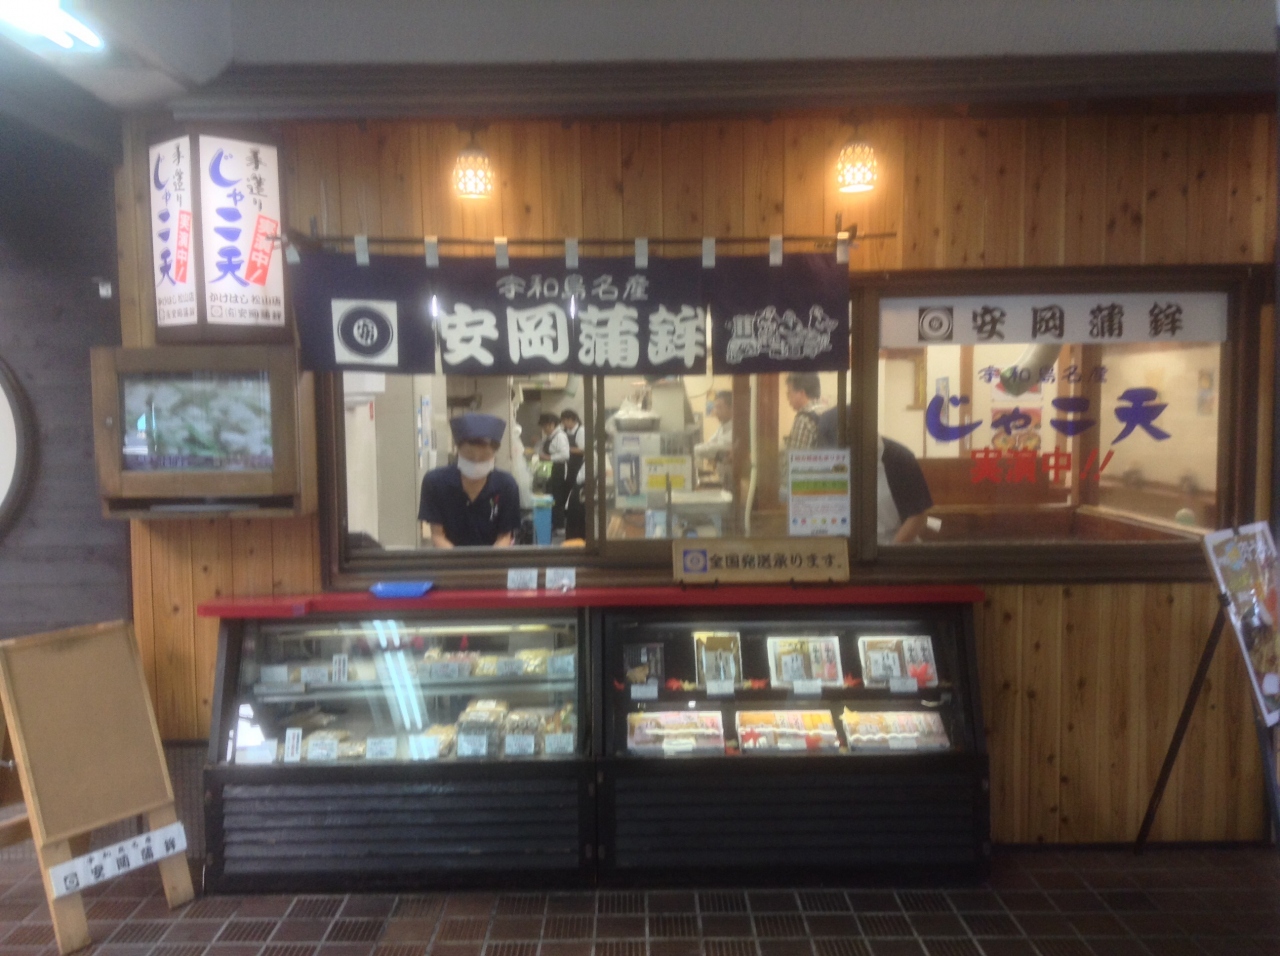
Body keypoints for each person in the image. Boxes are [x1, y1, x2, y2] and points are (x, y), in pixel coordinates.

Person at [815, 407, 934, 544]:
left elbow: (917, 516)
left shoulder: (900, 458)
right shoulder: (829, 461)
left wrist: (891, 552)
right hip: (848, 546)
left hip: (897, 545)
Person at [418, 413, 521, 548]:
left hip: (494, 558)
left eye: (484, 457)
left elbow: (505, 537)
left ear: (494, 455)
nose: (476, 461)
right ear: (457, 451)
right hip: (448, 557)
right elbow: (437, 535)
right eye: (469, 456)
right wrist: (458, 559)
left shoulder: (506, 485)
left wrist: (489, 559)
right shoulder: (435, 482)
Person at [538, 412, 570, 532]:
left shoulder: (560, 436)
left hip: (558, 469)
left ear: (551, 424)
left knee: (557, 497)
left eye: (544, 426)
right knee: (550, 496)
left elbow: (565, 455)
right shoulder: (551, 436)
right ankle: (553, 523)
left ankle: (559, 525)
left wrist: (548, 457)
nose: (543, 429)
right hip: (550, 469)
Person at [694, 390, 734, 487]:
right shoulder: (723, 426)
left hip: (735, 482)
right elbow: (710, 443)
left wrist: (689, 450)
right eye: (715, 407)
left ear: (732, 408)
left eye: (719, 407)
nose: (715, 411)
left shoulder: (736, 429)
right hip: (725, 479)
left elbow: (715, 449)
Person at [561, 409, 587, 540]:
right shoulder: (565, 431)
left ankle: (574, 526)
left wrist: (567, 449)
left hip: (577, 467)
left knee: (574, 496)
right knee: (565, 494)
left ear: (573, 419)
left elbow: (583, 450)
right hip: (568, 467)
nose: (565, 423)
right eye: (563, 421)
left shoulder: (581, 431)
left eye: (566, 420)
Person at [784, 373, 824, 450]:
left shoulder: (803, 420)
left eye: (789, 393)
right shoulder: (826, 410)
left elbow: (796, 456)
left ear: (801, 393)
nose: (788, 398)